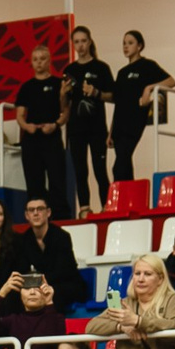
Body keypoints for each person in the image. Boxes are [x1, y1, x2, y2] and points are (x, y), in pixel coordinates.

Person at [62, 24, 114, 216]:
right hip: (76, 128)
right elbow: (64, 105)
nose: (81, 45)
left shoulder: (101, 68)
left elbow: (113, 96)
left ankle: (107, 206)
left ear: (90, 42)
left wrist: (96, 92)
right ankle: (84, 207)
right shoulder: (69, 70)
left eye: (84, 41)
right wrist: (62, 93)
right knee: (80, 170)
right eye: (77, 42)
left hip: (96, 127)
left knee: (100, 169)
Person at [15, 43, 70, 218]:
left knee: (57, 180)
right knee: (34, 183)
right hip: (32, 139)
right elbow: (20, 116)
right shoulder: (26, 87)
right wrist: (27, 127)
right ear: (31, 62)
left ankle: (61, 219)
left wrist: (55, 124)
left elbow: (65, 111)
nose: (39, 62)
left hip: (51, 136)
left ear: (49, 60)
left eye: (42, 59)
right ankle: (36, 217)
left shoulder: (58, 83)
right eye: (35, 59)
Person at [111, 31, 174, 184]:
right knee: (124, 165)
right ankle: (130, 196)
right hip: (119, 123)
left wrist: (149, 88)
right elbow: (118, 103)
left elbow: (171, 81)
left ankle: (123, 195)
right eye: (124, 43)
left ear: (139, 46)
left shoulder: (147, 65)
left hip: (134, 120)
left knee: (119, 166)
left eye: (130, 43)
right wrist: (111, 131)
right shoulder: (121, 73)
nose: (126, 47)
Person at [13, 195, 87, 309]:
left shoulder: (62, 236)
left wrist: (38, 284)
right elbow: (22, 270)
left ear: (48, 212)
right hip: (38, 285)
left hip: (66, 284)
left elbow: (63, 272)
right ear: (27, 215)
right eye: (31, 210)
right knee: (15, 295)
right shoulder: (23, 240)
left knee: (52, 293)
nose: (36, 213)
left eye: (40, 209)